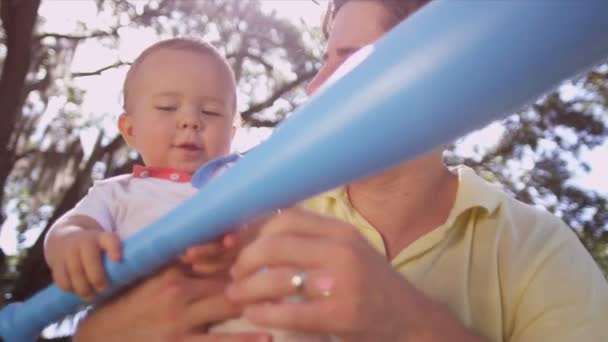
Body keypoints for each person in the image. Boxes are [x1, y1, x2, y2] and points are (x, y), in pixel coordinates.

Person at [74, 1, 608, 341]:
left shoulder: (535, 246)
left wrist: (412, 327)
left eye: (347, 60)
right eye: (321, 61)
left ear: (438, 72)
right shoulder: (250, 212)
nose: (313, 88)